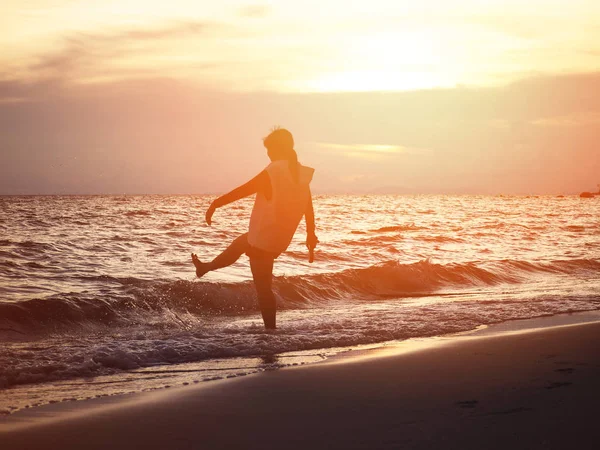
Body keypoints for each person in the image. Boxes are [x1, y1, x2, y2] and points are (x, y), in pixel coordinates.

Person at [191, 128, 318, 329]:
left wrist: (216, 204)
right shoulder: (299, 172)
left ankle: (271, 333)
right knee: (242, 242)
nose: (267, 154)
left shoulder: (274, 170)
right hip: (280, 236)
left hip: (265, 237)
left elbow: (245, 189)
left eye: (269, 149)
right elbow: (307, 206)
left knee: (263, 289)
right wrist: (311, 233)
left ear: (277, 149)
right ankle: (206, 267)